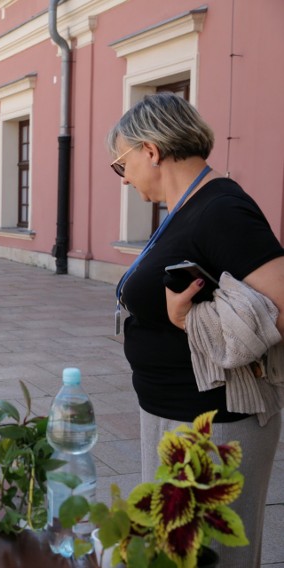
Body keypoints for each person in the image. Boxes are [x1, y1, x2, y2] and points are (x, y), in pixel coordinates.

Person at [110, 92, 284, 567]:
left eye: (120, 162)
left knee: (215, 558)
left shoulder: (221, 208)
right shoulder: (185, 210)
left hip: (214, 422)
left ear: (151, 150)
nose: (123, 178)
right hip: (174, 412)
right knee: (172, 553)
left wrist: (191, 319)